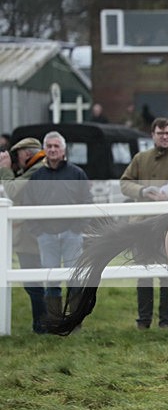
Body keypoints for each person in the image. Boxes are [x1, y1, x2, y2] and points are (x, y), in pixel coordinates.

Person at [120, 118, 168, 330]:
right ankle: (143, 320)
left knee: (166, 275)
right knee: (143, 273)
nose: (164, 137)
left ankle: (165, 322)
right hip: (142, 225)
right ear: (153, 135)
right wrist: (142, 191)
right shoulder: (140, 158)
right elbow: (125, 182)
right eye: (161, 133)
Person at [22, 131, 92, 321]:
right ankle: (55, 321)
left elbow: (87, 201)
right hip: (46, 236)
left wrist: (77, 228)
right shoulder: (37, 176)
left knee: (74, 279)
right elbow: (28, 205)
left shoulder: (76, 173)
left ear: (63, 150)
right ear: (44, 149)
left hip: (72, 235)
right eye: (49, 146)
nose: (53, 150)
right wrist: (39, 232)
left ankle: (74, 321)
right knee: (51, 279)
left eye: (56, 146)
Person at [0, 138, 48, 333]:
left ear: (26, 153)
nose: (15, 159)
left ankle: (42, 325)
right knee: (34, 282)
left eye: (16, 154)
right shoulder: (34, 168)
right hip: (31, 235)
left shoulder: (37, 169)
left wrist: (4, 169)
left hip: (33, 236)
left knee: (34, 282)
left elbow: (11, 191)